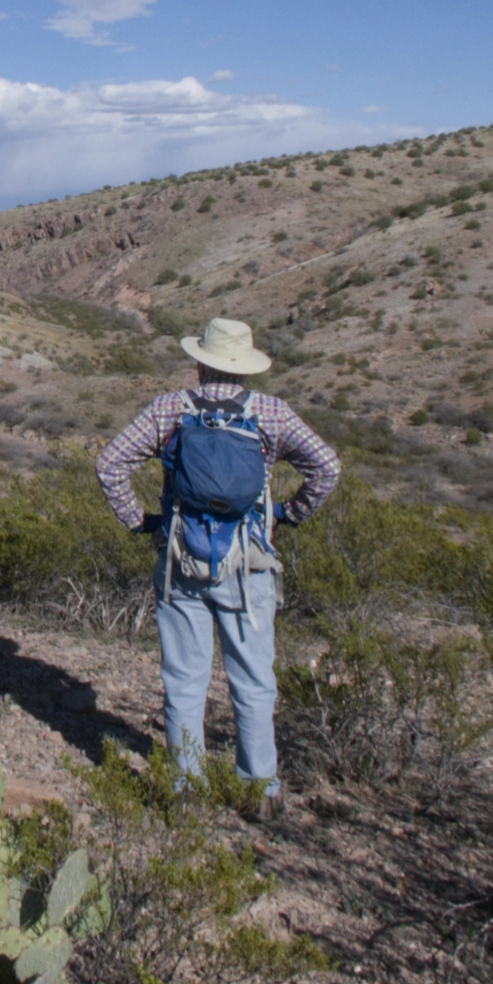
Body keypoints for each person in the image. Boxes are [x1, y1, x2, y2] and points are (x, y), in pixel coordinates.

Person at [95, 316, 340, 818]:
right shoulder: (272, 413)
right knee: (253, 679)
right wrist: (290, 514)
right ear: (245, 368)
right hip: (248, 565)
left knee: (184, 679)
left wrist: (141, 523)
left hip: (180, 561)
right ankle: (260, 791)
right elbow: (327, 467)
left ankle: (185, 792)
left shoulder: (170, 409)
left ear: (200, 362)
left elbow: (110, 463)